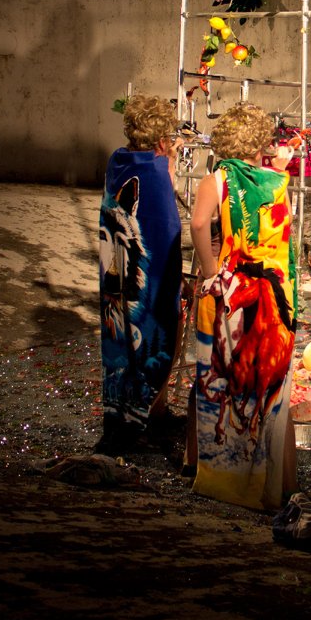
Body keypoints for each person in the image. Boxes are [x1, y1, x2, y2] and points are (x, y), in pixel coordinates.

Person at [189, 103, 299, 510]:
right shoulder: (277, 181)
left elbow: (200, 224)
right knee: (272, 394)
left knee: (222, 380)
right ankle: (273, 483)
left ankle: (226, 481)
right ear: (261, 143)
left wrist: (210, 271)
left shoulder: (215, 181)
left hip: (233, 294)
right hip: (277, 297)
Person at [98, 95, 183, 453]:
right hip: (145, 282)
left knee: (121, 346)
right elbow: (166, 233)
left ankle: (139, 414)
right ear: (163, 139)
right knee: (158, 337)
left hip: (113, 276)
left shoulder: (118, 160)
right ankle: (143, 419)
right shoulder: (155, 173)